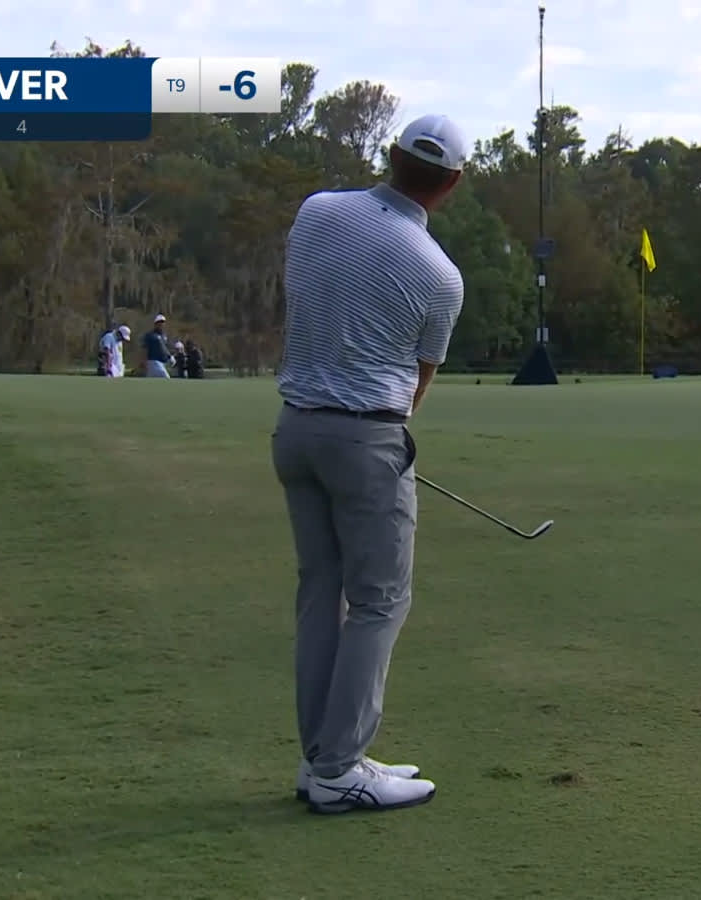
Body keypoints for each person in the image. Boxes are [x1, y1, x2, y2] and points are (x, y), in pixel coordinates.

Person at [271, 113, 467, 814]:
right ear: (452, 183)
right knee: (380, 600)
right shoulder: (440, 276)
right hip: (366, 440)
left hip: (295, 431)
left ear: (391, 157)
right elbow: (416, 389)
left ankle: (322, 756)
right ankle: (339, 768)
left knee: (322, 591)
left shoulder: (317, 210)